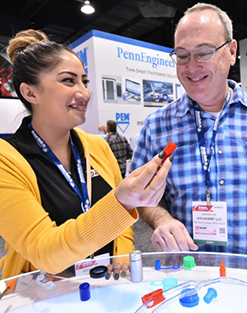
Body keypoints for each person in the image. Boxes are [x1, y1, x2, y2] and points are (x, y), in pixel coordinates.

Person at [0, 29, 173, 279]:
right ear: (30, 93)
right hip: (42, 296)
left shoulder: (98, 146)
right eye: (69, 81)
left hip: (103, 289)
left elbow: (123, 227)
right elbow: (44, 252)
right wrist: (122, 202)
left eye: (85, 81)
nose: (85, 93)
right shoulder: (8, 160)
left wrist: (122, 257)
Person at [131, 3, 247, 255]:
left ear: (231, 51)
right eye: (182, 55)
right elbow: (139, 196)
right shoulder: (156, 127)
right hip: (189, 275)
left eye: (204, 52)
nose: (191, 67)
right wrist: (162, 219)